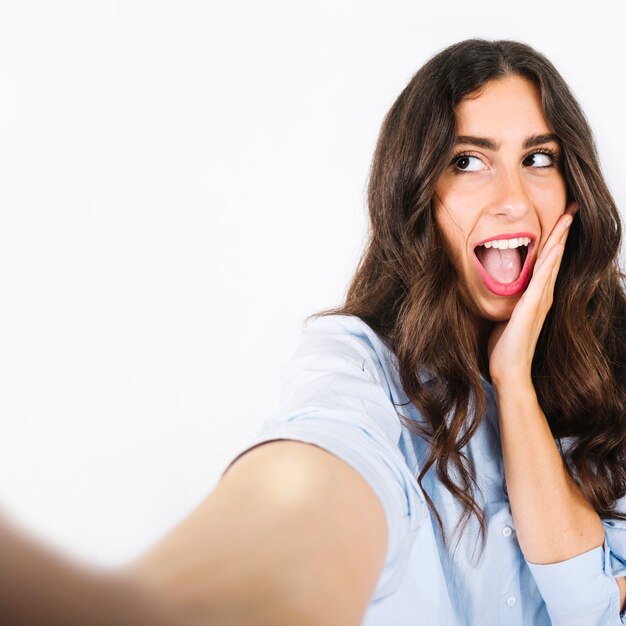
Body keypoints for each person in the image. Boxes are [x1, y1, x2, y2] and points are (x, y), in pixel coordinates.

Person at [1, 37, 626, 626]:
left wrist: (513, 383)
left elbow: (594, 608)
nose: (512, 198)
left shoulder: (616, 361)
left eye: (538, 158)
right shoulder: (359, 365)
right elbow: (313, 480)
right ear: (415, 193)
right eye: (467, 161)